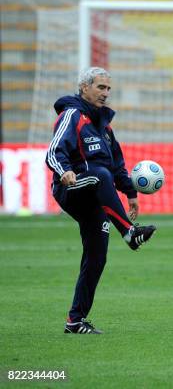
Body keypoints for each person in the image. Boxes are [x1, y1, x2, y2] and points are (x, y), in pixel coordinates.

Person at [46, 67, 157, 334]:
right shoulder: (72, 114)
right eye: (100, 87)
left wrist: (131, 194)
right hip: (72, 187)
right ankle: (130, 234)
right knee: (99, 175)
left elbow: (118, 167)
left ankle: (75, 320)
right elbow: (53, 152)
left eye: (108, 88)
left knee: (97, 256)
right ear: (84, 88)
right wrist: (64, 172)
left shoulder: (104, 127)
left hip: (96, 194)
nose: (106, 93)